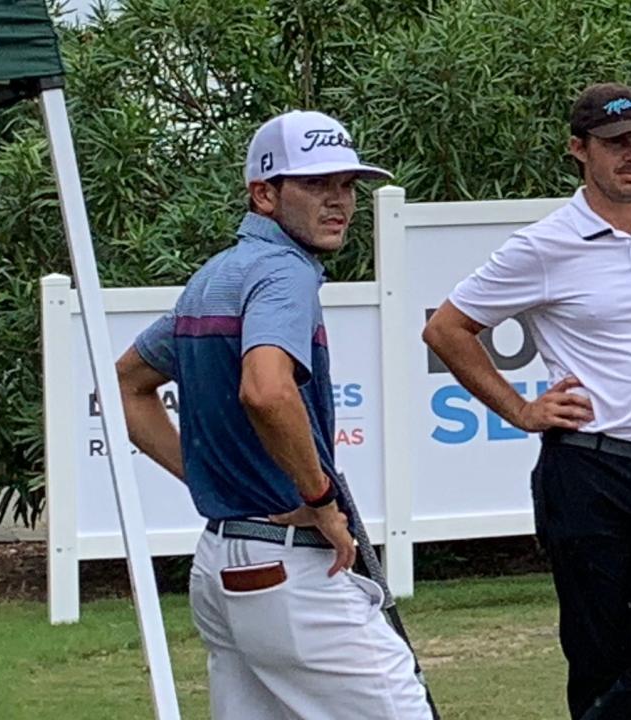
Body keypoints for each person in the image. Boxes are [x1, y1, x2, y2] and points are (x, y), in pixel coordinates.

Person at [422, 83, 631, 720]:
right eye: (614, 144)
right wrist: (521, 410)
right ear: (579, 150)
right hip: (586, 472)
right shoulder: (546, 244)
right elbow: (446, 329)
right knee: (597, 659)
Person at [117, 110, 432, 720]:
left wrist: (212, 477)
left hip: (222, 561)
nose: (339, 201)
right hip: (288, 565)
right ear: (264, 194)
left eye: (346, 185)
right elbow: (265, 389)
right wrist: (319, 498)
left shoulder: (215, 277)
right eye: (316, 185)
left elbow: (128, 384)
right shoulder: (282, 271)